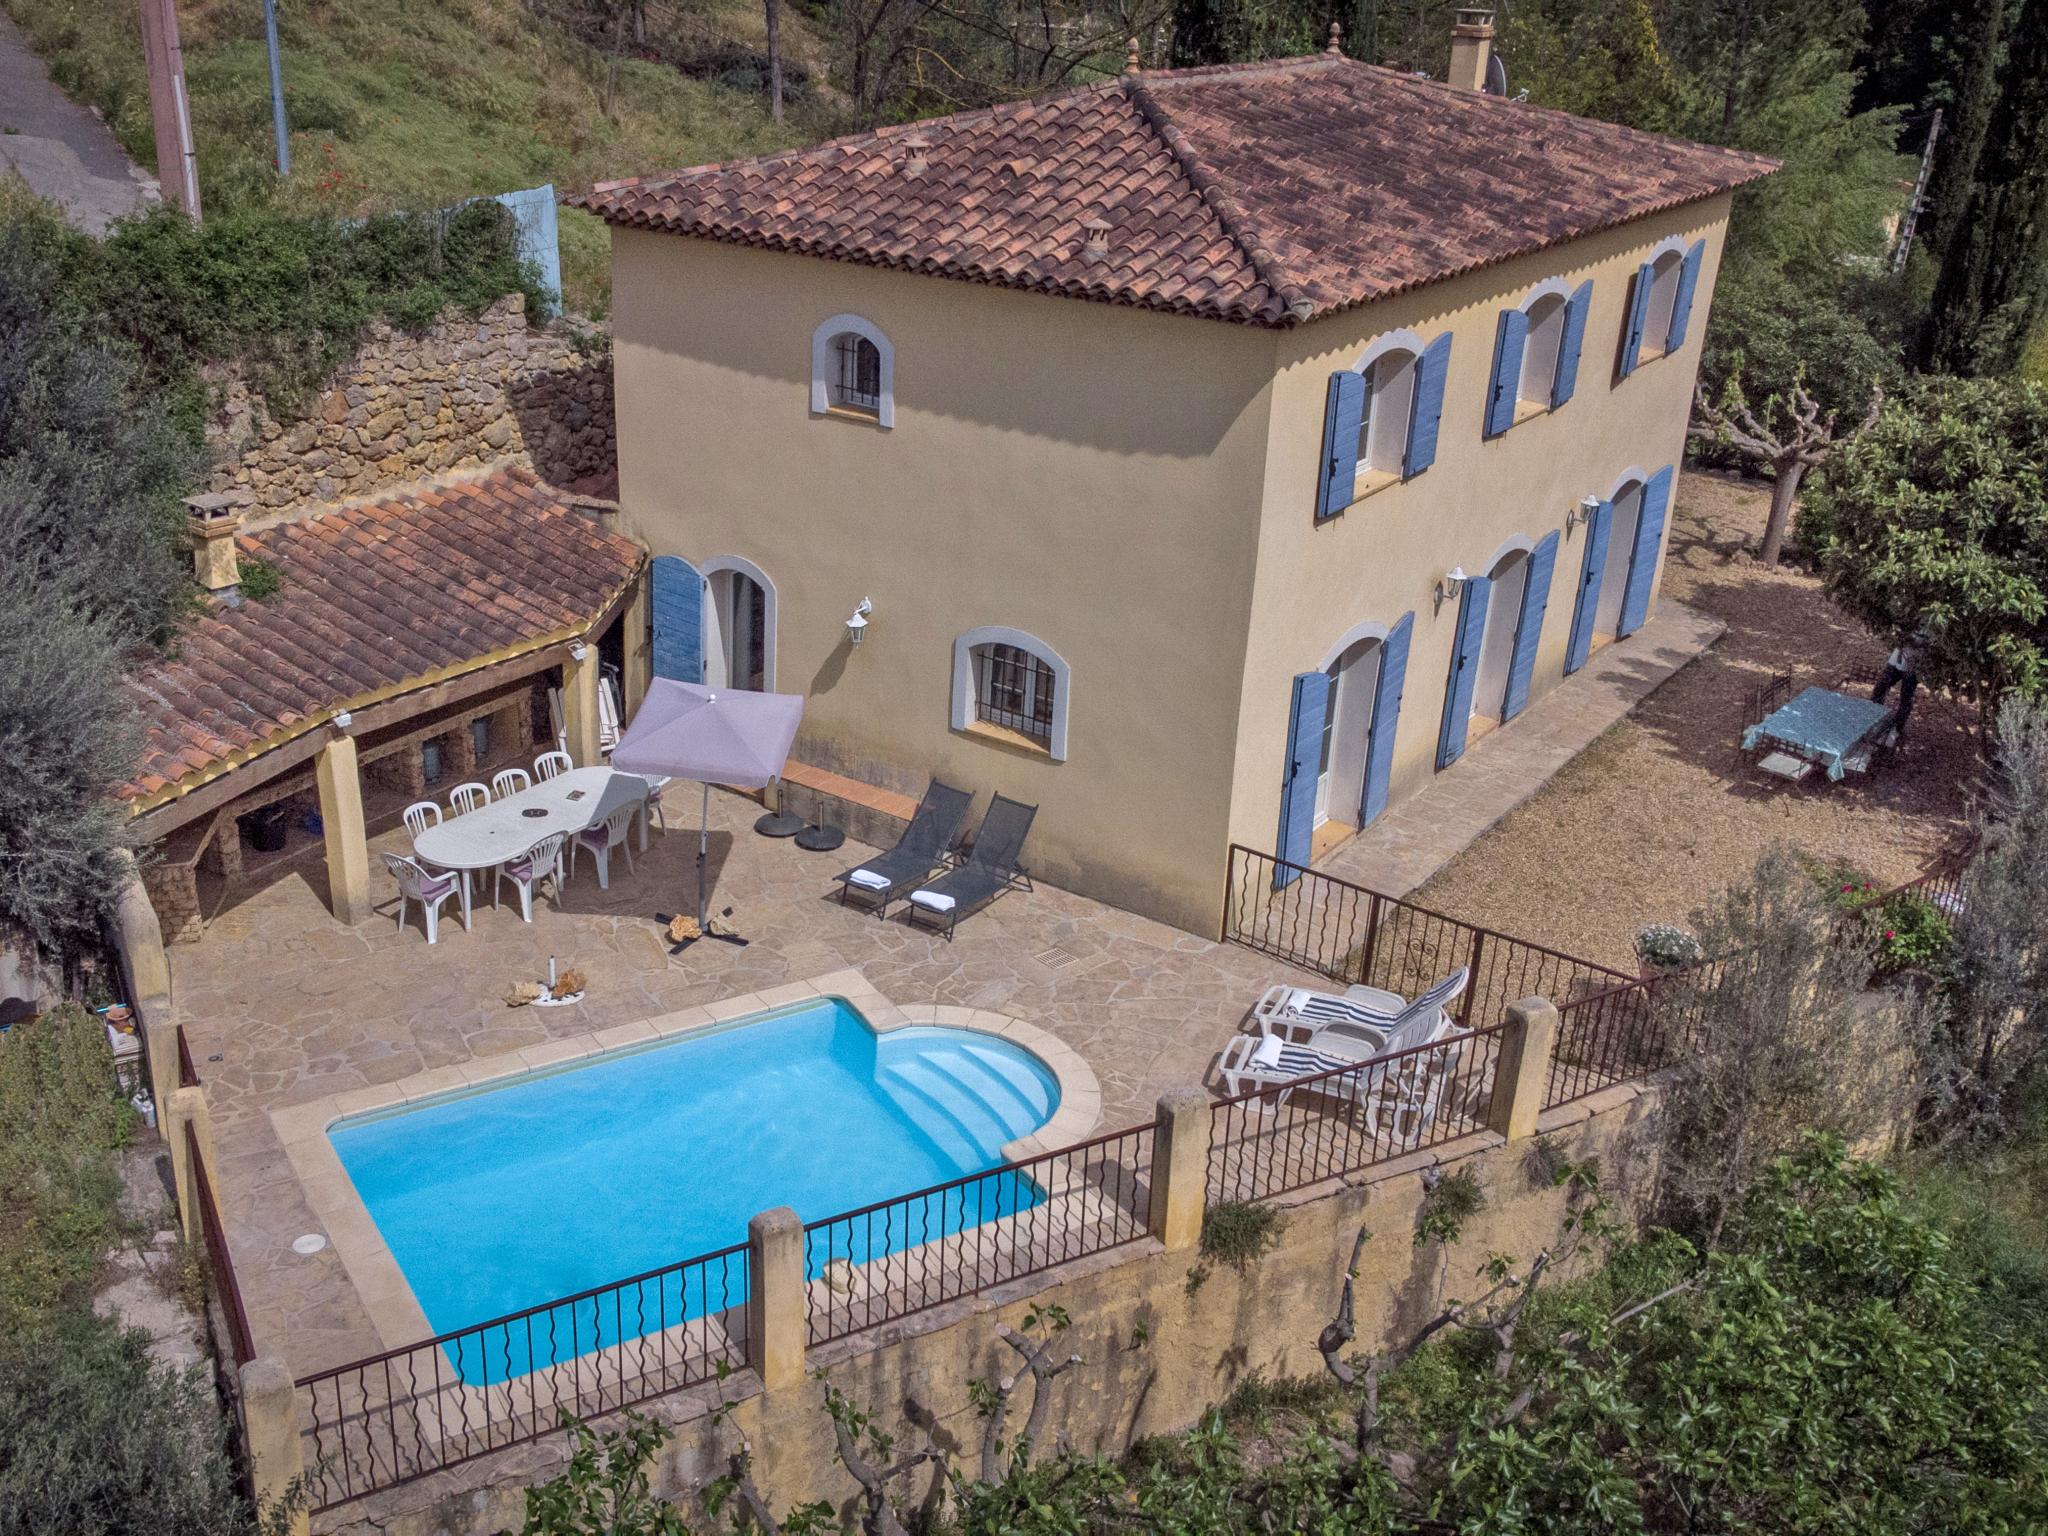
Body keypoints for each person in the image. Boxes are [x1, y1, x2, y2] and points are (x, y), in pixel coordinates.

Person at [1871, 636, 1921, 741]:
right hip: (1896, 660)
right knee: (1880, 688)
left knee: (1906, 697)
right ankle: (1872, 717)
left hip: (1914, 664)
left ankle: (1897, 728)